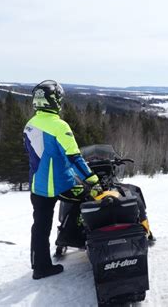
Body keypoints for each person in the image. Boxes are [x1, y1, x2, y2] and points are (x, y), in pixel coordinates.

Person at [23, 80, 101, 280]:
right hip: (61, 185)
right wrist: (92, 178)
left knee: (40, 227)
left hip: (37, 186)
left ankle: (39, 267)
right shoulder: (59, 126)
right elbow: (74, 157)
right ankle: (78, 239)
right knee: (90, 198)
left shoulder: (30, 124)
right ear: (55, 101)